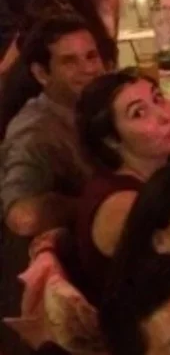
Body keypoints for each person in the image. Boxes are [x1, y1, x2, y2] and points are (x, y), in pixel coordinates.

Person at [73, 71, 170, 306]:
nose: (165, 116)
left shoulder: (153, 174)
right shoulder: (124, 207)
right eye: (139, 113)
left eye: (158, 99)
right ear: (111, 140)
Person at [0, 14, 105, 238]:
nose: (88, 69)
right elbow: (22, 218)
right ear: (41, 74)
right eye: (70, 61)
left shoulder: (89, 107)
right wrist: (98, 206)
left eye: (91, 56)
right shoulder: (34, 133)